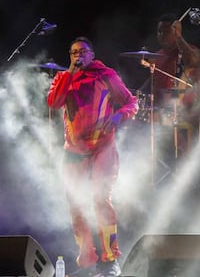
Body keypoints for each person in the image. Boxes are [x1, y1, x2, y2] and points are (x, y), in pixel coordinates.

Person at [47, 37, 138, 277]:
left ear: (92, 54)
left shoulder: (105, 75)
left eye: (83, 52)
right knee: (76, 204)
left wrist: (118, 117)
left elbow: (130, 102)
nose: (78, 56)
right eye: (74, 52)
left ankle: (110, 260)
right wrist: (67, 74)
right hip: (74, 151)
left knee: (101, 200)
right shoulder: (63, 79)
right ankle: (87, 261)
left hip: (102, 147)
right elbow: (53, 102)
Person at [153, 13, 200, 156]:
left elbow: (193, 61)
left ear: (176, 31)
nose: (161, 35)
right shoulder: (157, 57)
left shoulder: (190, 50)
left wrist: (179, 37)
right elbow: (155, 91)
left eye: (166, 31)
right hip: (164, 116)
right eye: (159, 31)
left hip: (188, 116)